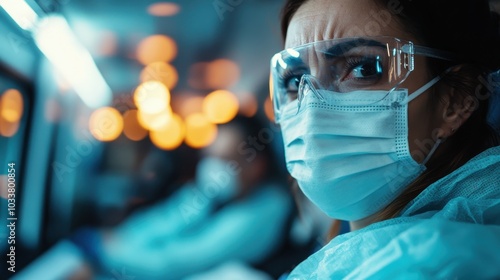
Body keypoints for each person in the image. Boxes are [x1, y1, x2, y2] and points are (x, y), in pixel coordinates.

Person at [269, 0, 500, 278]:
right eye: (296, 81)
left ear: (454, 101)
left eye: (363, 69)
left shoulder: (440, 263)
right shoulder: (349, 255)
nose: (311, 110)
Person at [71, 116, 293, 279]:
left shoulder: (265, 212)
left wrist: (102, 250)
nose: (213, 168)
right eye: (210, 158)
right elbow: (158, 224)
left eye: (226, 160)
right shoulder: (213, 195)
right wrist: (115, 243)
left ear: (257, 166)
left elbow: (174, 263)